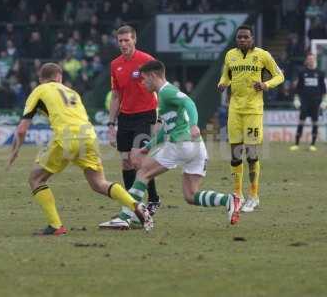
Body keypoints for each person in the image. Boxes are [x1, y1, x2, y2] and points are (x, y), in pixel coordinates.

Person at [7, 63, 153, 236]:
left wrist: (15, 150)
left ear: (41, 79)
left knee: (36, 179)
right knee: (99, 183)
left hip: (67, 136)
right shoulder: (72, 92)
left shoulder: (40, 90)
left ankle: (56, 226)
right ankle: (135, 205)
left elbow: (22, 129)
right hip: (89, 135)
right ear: (60, 77)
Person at [126, 60, 241, 225]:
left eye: (144, 79)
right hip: (197, 147)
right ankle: (229, 200)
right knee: (191, 195)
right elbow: (166, 129)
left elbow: (190, 103)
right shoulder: (164, 95)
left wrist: (194, 124)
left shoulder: (166, 91)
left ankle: (127, 217)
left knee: (143, 173)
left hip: (181, 144)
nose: (142, 83)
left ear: (153, 76)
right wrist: (147, 147)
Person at [217, 25, 284, 213]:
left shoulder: (263, 55)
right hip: (235, 110)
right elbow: (226, 75)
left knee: (252, 154)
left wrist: (265, 84)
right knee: (235, 154)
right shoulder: (230, 55)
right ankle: (238, 194)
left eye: (246, 37)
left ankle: (254, 196)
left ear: (252, 38)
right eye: (239, 37)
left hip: (253, 110)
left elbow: (280, 76)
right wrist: (223, 83)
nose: (242, 40)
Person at [99, 25, 160, 229]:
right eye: (120, 41)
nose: (123, 44)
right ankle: (133, 205)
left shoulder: (146, 60)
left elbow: (159, 86)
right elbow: (116, 96)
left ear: (134, 40)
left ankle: (152, 200)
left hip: (145, 114)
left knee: (137, 160)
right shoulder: (115, 65)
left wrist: (160, 115)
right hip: (125, 117)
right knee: (125, 163)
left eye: (127, 40)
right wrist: (110, 123)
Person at [290, 53, 327, 151]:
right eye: (309, 59)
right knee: (301, 121)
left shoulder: (320, 73)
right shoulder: (302, 72)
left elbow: (324, 89)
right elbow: (298, 88)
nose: (310, 60)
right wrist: (296, 99)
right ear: (307, 60)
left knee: (315, 122)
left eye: (312, 59)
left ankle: (313, 145)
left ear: (315, 60)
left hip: (316, 101)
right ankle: (296, 144)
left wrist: (324, 101)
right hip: (305, 101)